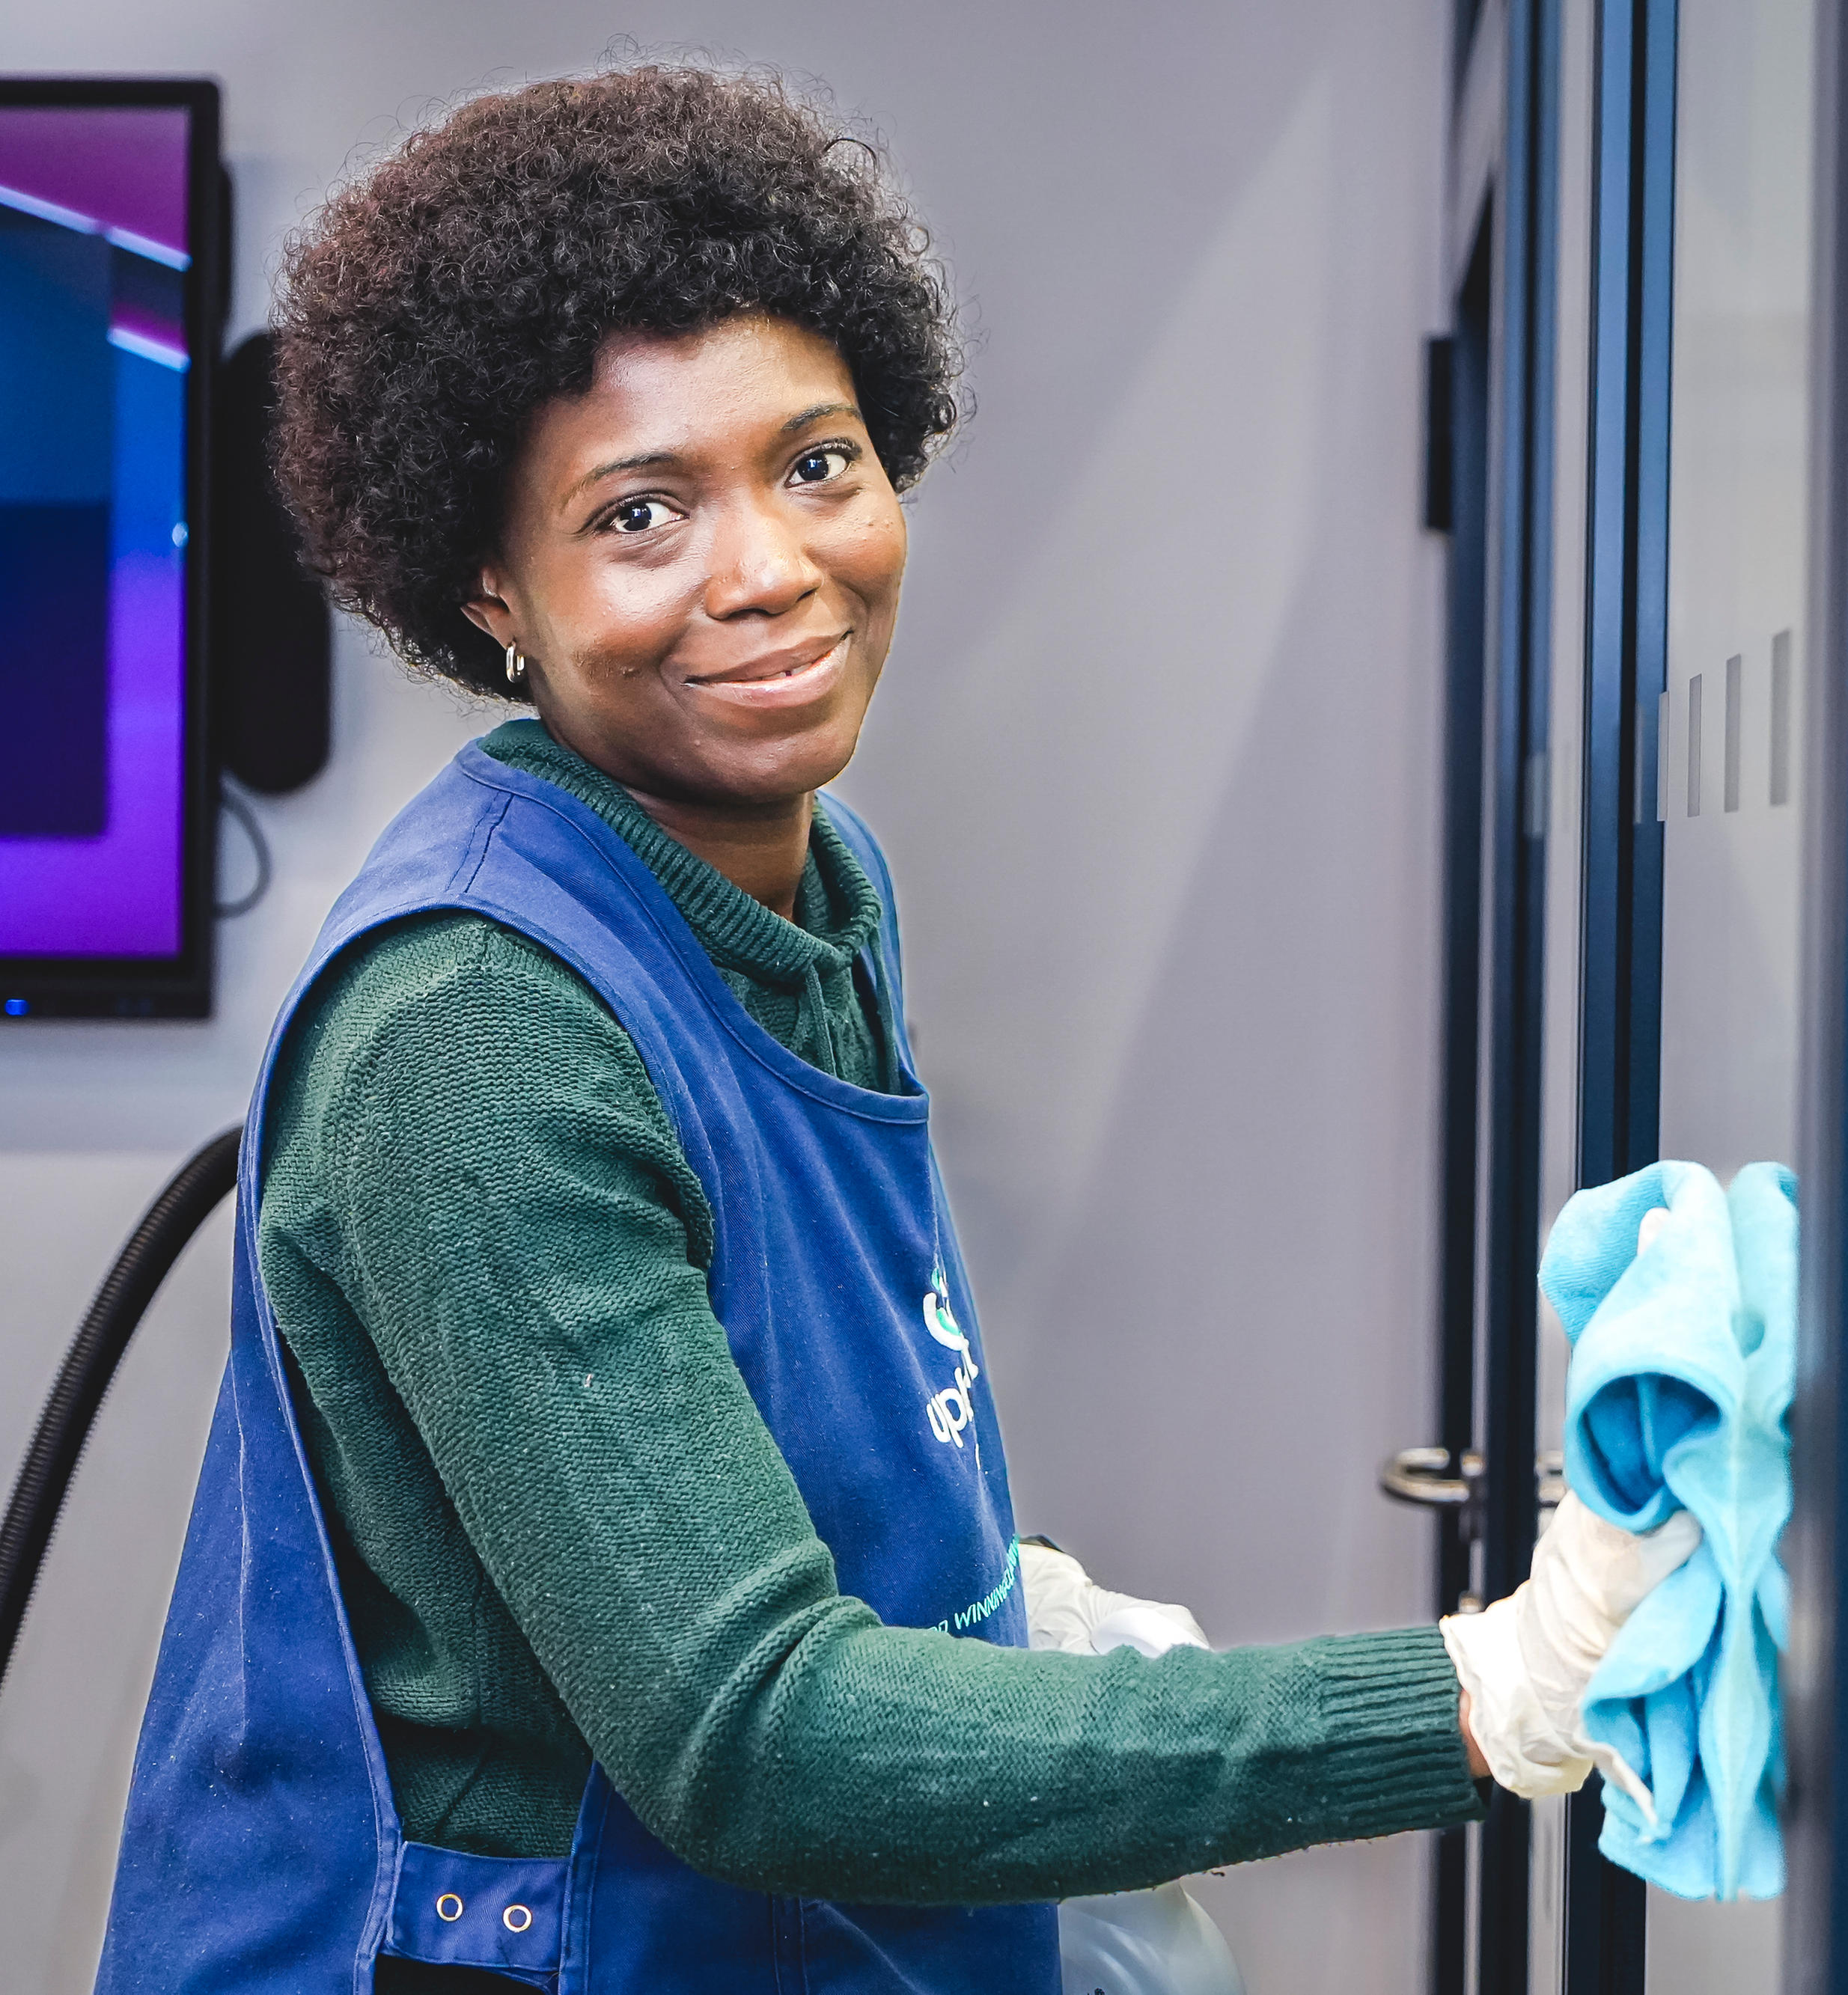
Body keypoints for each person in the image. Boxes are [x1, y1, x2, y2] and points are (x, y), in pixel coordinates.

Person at [96, 67, 1692, 1995]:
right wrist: (1473, 1690)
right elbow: (756, 1734)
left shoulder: (812, 881)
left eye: (818, 461)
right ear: (488, 589)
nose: (767, 566)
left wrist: (1009, 1612)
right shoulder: (475, 1034)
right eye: (638, 511)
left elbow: (771, 1421)